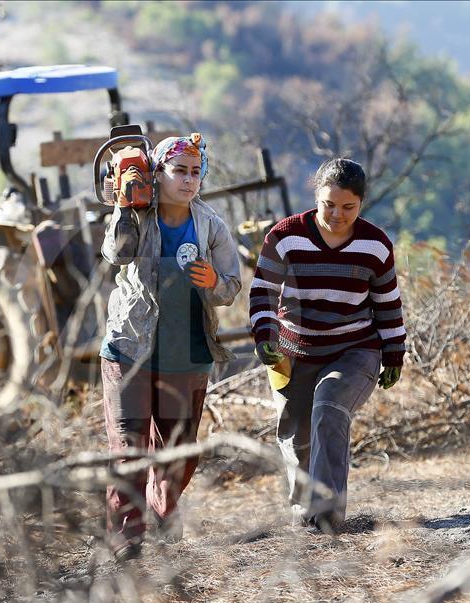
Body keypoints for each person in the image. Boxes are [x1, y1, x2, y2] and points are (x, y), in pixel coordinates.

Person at [99, 133, 241, 561]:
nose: (189, 179)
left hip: (186, 349)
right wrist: (124, 208)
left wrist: (214, 282)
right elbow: (116, 255)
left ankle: (163, 514)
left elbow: (232, 285)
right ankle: (128, 539)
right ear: (157, 173)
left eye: (196, 172)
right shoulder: (139, 216)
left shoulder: (210, 225)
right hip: (129, 348)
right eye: (179, 170)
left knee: (177, 450)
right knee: (130, 446)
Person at [249, 157, 405, 531]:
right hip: (294, 351)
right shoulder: (285, 236)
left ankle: (329, 515)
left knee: (330, 407)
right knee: (296, 432)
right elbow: (263, 292)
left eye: (348, 207)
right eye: (328, 205)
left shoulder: (375, 245)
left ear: (361, 204)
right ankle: (304, 512)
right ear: (315, 197)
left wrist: (394, 353)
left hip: (355, 349)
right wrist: (264, 336)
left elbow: (387, 304)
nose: (337, 215)